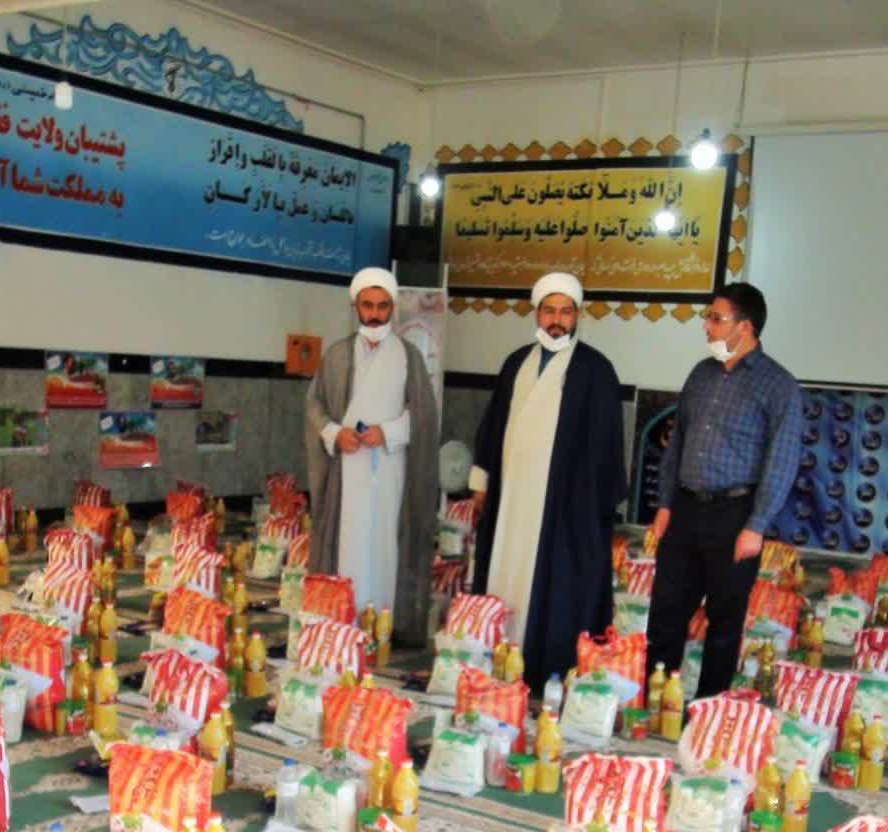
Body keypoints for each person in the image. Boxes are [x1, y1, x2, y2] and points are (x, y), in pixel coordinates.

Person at [470, 272, 626, 689]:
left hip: (562, 509)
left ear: (577, 316)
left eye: (565, 312)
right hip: (510, 501)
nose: (557, 320)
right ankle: (499, 658)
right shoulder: (515, 363)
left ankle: (544, 670)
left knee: (557, 591)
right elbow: (492, 426)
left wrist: (594, 510)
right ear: (536, 313)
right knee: (502, 573)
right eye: (550, 311)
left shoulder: (595, 370)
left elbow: (607, 445)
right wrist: (481, 482)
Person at [646, 283, 803, 699]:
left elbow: (782, 459)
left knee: (723, 621)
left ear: (745, 327)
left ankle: (707, 709)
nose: (707, 326)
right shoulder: (702, 374)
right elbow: (677, 443)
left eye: (717, 319)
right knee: (666, 612)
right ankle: (656, 701)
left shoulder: (778, 385)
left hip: (735, 515)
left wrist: (757, 525)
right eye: (708, 317)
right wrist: (664, 505)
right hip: (685, 509)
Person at [305, 266, 441, 646]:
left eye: (383, 306)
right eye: (368, 306)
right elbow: (314, 407)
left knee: (385, 544)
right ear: (356, 307)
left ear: (392, 308)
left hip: (392, 469)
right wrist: (336, 434)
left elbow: (425, 416)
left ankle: (384, 622)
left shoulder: (410, 357)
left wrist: (389, 432)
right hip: (346, 469)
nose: (375, 314)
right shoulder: (336, 355)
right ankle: (342, 622)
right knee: (348, 542)